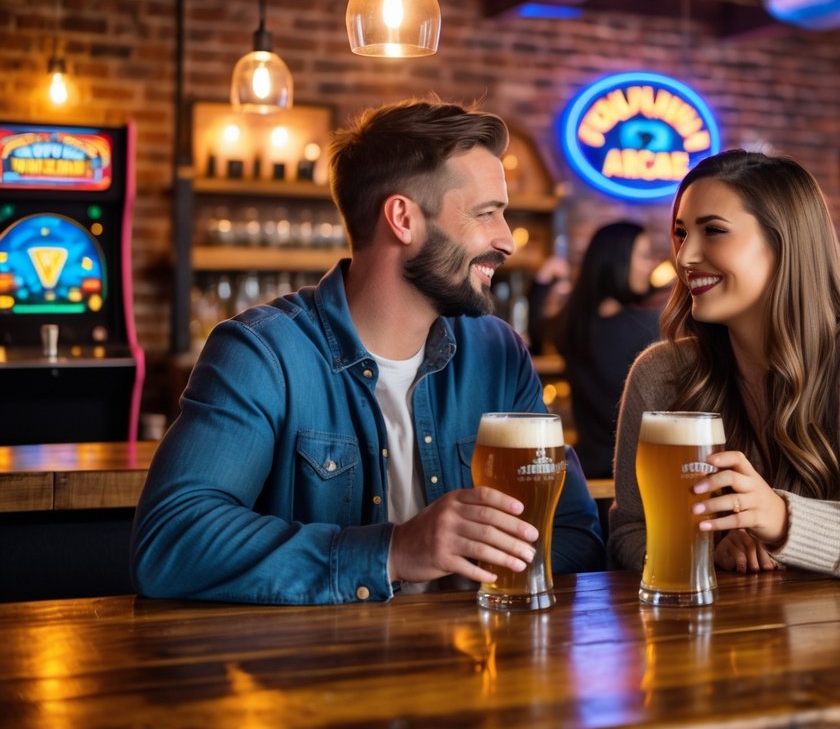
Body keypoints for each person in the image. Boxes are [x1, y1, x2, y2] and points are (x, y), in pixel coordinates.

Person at [132, 100, 604, 605]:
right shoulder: (264, 353)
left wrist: (488, 575)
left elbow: (576, 535)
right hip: (321, 673)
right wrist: (393, 551)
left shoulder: (499, 353)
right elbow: (171, 543)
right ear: (402, 218)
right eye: (486, 214)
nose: (506, 241)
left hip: (476, 665)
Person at [608, 150, 840, 578]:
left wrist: (782, 520)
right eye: (681, 234)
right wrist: (706, 550)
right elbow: (629, 531)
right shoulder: (659, 373)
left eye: (713, 231)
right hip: (713, 639)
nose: (684, 257)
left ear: (783, 244)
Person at [530, 222, 662, 479]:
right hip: (635, 475)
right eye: (644, 256)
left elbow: (536, 332)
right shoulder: (647, 327)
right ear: (618, 261)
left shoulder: (569, 326)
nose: (651, 265)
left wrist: (541, 284)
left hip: (584, 471)